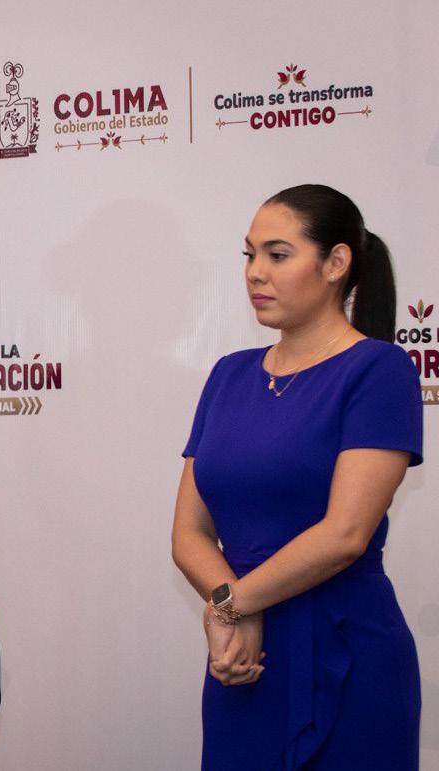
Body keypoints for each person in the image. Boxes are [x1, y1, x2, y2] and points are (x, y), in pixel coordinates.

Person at [172, 184, 423, 769]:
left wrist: (232, 607)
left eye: (278, 255)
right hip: (243, 661)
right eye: (249, 255)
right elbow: (188, 534)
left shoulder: (379, 369)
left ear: (336, 264)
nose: (255, 272)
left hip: (347, 649)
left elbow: (345, 535)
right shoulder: (228, 375)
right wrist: (233, 610)